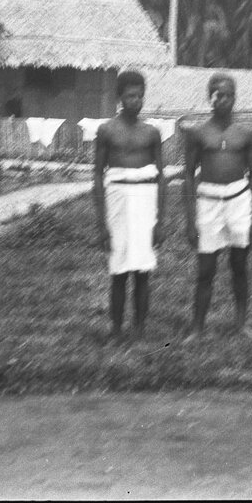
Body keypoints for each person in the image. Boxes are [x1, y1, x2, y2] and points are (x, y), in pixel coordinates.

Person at [182, 74, 252, 342]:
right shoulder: (197, 133)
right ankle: (197, 328)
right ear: (210, 98)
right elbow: (190, 175)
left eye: (228, 95)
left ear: (235, 98)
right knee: (206, 269)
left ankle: (241, 324)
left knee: (239, 265)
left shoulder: (246, 133)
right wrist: (190, 219)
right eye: (217, 94)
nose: (223, 99)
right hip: (208, 201)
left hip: (239, 200)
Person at [93, 71, 166, 340]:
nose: (135, 101)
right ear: (120, 98)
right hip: (117, 202)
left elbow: (161, 177)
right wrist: (101, 224)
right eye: (129, 96)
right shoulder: (107, 130)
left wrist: (160, 221)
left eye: (139, 96)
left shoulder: (152, 132)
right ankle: (115, 328)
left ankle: (140, 327)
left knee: (143, 270)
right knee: (119, 270)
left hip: (145, 201)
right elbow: (98, 176)